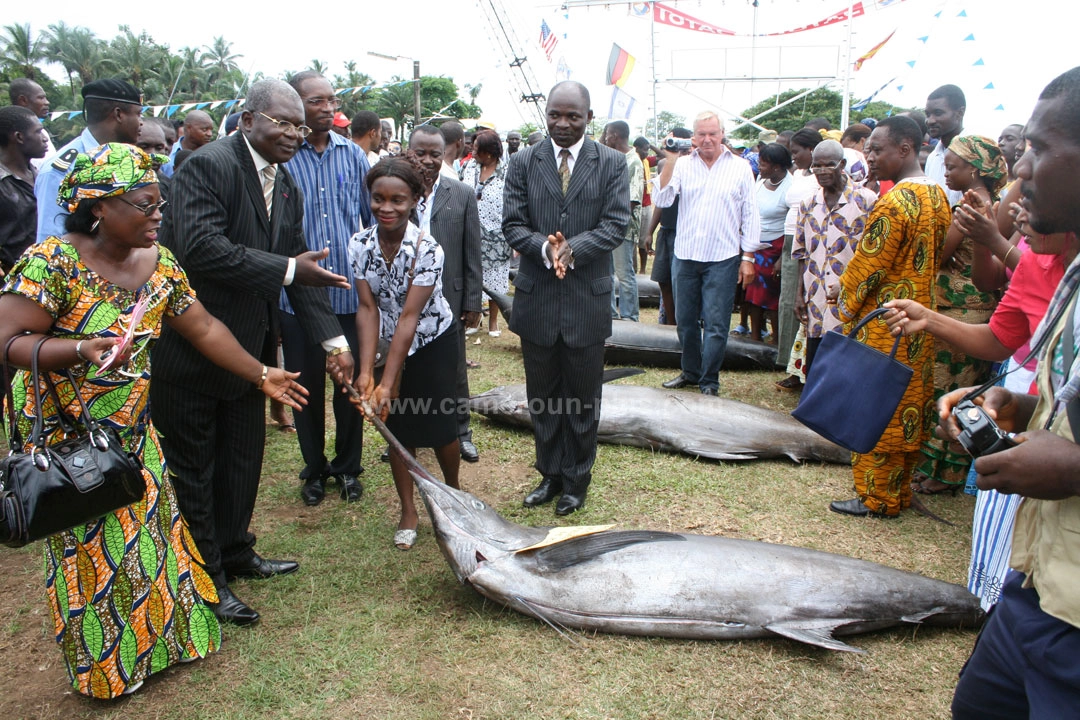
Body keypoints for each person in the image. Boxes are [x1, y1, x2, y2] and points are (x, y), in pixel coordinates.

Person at [0, 143, 308, 696]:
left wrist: (261, 373)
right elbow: (8, 340)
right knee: (96, 547)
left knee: (150, 535)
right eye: (145, 206)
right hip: (71, 436)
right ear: (99, 208)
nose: (158, 215)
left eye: (159, 204)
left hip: (132, 426)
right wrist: (78, 349)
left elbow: (204, 326)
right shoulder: (52, 262)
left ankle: (164, 644)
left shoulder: (160, 263)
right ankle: (108, 670)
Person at [150, 79, 354, 626]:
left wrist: (333, 341)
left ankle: (236, 551)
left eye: (299, 126)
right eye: (282, 122)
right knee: (196, 470)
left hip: (251, 355)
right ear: (247, 120)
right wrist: (287, 268)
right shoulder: (208, 166)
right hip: (192, 352)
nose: (294, 133)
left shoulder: (284, 182)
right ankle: (206, 578)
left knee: (242, 461)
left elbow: (297, 265)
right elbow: (201, 249)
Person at [942, 67, 1080, 719]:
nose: (1020, 169)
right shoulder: (1073, 279)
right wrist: (1015, 410)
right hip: (1037, 586)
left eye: (1040, 149)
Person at [885, 209, 1077, 611]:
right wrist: (929, 319)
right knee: (1010, 564)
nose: (1018, 211)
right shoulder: (1036, 263)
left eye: (1030, 189)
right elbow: (1000, 337)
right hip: (1036, 422)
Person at [503, 80, 629, 515]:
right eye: (555, 115)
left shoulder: (612, 162)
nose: (562, 123)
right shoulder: (523, 161)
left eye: (572, 116)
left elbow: (616, 224)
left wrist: (573, 248)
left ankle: (577, 480)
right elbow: (513, 223)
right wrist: (545, 248)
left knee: (582, 399)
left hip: (586, 301)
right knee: (543, 398)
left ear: (588, 117)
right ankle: (550, 474)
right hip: (537, 299)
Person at [827, 115, 949, 518]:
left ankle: (877, 497)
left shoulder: (895, 202)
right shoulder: (938, 196)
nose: (870, 157)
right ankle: (898, 491)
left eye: (878, 150)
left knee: (875, 405)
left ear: (905, 148)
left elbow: (869, 265)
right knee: (907, 404)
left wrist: (842, 299)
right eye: (869, 150)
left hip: (886, 323)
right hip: (920, 318)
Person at [348, 157, 462, 550]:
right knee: (398, 429)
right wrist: (367, 372)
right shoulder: (359, 244)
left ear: (415, 200)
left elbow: (410, 317)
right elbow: (367, 309)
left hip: (432, 341)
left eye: (397, 200)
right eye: (378, 198)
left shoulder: (427, 249)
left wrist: (389, 380)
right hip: (386, 342)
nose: (386, 208)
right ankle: (409, 510)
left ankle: (453, 494)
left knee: (442, 427)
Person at [281, 72, 373, 506]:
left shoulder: (353, 155)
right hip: (297, 298)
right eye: (315, 100)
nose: (326, 108)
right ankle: (314, 468)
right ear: (295, 105)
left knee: (349, 385)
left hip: (347, 296)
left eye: (331, 100)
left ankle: (348, 467)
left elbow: (369, 221)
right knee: (306, 388)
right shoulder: (283, 158)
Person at [914, 136, 1007, 495]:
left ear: (974, 169)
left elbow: (940, 253)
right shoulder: (997, 204)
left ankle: (941, 473)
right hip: (981, 310)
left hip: (957, 309)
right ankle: (946, 471)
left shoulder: (969, 206)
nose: (947, 173)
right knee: (965, 389)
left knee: (945, 390)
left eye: (952, 167)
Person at [655, 112, 760, 396]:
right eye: (701, 134)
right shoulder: (682, 165)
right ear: (693, 137)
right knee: (685, 321)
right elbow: (662, 198)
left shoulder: (740, 167)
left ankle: (709, 380)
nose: (707, 140)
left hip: (723, 257)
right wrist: (670, 160)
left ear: (722, 134)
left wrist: (748, 257)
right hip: (686, 255)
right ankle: (690, 371)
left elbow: (750, 213)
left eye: (712, 133)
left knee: (716, 323)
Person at [408, 125, 483, 462]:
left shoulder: (462, 194)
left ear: (445, 155)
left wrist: (472, 301)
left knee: (453, 370)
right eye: (420, 153)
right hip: (406, 298)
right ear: (408, 153)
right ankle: (407, 433)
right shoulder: (397, 191)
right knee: (407, 367)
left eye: (434, 154)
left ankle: (460, 432)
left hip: (449, 297)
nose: (427, 160)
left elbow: (472, 251)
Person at [792, 139, 877, 377]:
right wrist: (799, 294)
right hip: (816, 296)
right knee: (816, 361)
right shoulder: (808, 204)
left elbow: (873, 252)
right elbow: (802, 254)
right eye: (816, 166)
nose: (821, 171)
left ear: (842, 164)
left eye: (828, 165)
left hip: (850, 297)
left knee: (847, 362)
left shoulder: (866, 200)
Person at [35, 78, 143, 243]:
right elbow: (51, 241)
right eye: (138, 114)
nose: (141, 122)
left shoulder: (130, 159)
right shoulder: (61, 170)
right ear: (118, 114)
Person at [776, 128, 824, 391]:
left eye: (796, 152)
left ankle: (803, 371)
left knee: (802, 305)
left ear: (812, 150)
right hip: (789, 239)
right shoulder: (799, 174)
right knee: (787, 303)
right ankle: (791, 363)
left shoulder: (821, 177)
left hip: (807, 242)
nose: (793, 157)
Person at [460, 129, 511, 336]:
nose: (472, 152)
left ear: (488, 153)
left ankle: (493, 321)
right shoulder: (469, 167)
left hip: (497, 235)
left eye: (476, 149)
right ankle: (474, 317)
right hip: (470, 231)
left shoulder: (507, 172)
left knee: (496, 278)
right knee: (472, 276)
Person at [745, 142, 793, 343]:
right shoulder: (760, 180)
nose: (759, 167)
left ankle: (777, 340)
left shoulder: (790, 188)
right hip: (756, 245)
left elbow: (793, 226)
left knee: (772, 296)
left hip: (776, 247)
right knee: (752, 293)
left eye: (763, 164)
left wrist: (782, 258)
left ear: (776, 167)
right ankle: (755, 337)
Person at [647, 127, 691, 325]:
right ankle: (670, 324)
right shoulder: (664, 164)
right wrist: (650, 231)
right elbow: (661, 201)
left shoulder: (694, 166)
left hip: (685, 232)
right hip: (667, 230)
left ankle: (684, 323)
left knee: (682, 282)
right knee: (664, 279)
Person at [0, 106, 47, 277]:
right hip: (11, 278)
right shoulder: (3, 181)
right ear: (19, 137)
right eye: (38, 132)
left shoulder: (41, 175)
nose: (45, 139)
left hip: (45, 273)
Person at [602, 120, 642, 321]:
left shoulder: (633, 161)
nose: (605, 138)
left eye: (607, 134)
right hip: (606, 227)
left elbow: (632, 200)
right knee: (606, 273)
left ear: (615, 136)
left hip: (623, 229)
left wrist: (615, 222)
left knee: (624, 274)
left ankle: (630, 316)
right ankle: (610, 314)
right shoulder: (613, 158)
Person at [923, 84, 967, 206]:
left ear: (960, 113)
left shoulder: (978, 155)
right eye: (928, 114)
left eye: (938, 113)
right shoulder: (933, 157)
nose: (930, 121)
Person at [8, 78, 53, 169]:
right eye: (41, 98)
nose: (47, 102)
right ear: (23, 100)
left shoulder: (42, 132)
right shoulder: (11, 136)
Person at [159, 109, 215, 178]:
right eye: (204, 129)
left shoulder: (214, 155)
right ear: (189, 128)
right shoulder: (167, 153)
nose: (209, 134)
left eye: (211, 130)